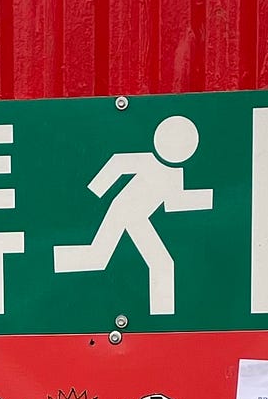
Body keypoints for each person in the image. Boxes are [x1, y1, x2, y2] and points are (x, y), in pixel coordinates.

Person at [52, 115, 212, 316]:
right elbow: (118, 164)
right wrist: (96, 189)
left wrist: (211, 197)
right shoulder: (146, 160)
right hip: (122, 211)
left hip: (137, 218)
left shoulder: (175, 175)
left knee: (152, 261)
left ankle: (162, 315)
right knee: (101, 256)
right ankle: (46, 266)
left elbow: (174, 204)